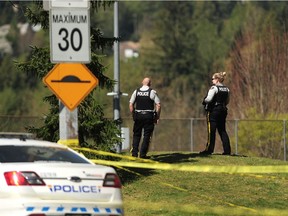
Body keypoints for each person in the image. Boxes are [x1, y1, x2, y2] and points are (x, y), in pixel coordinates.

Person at [200, 71, 231, 155]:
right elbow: (227, 101)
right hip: (223, 110)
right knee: (222, 131)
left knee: (211, 130)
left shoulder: (214, 88)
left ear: (217, 80)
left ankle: (209, 150)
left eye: (213, 79)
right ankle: (227, 151)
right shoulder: (227, 89)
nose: (212, 81)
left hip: (214, 111)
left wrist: (204, 100)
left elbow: (209, 99)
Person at [129, 77, 161, 158]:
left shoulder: (136, 91)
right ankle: (143, 154)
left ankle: (134, 153)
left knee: (136, 135)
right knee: (147, 136)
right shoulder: (152, 92)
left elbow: (131, 105)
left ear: (142, 82)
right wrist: (157, 117)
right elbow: (158, 105)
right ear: (150, 84)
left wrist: (133, 114)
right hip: (148, 116)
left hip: (138, 116)